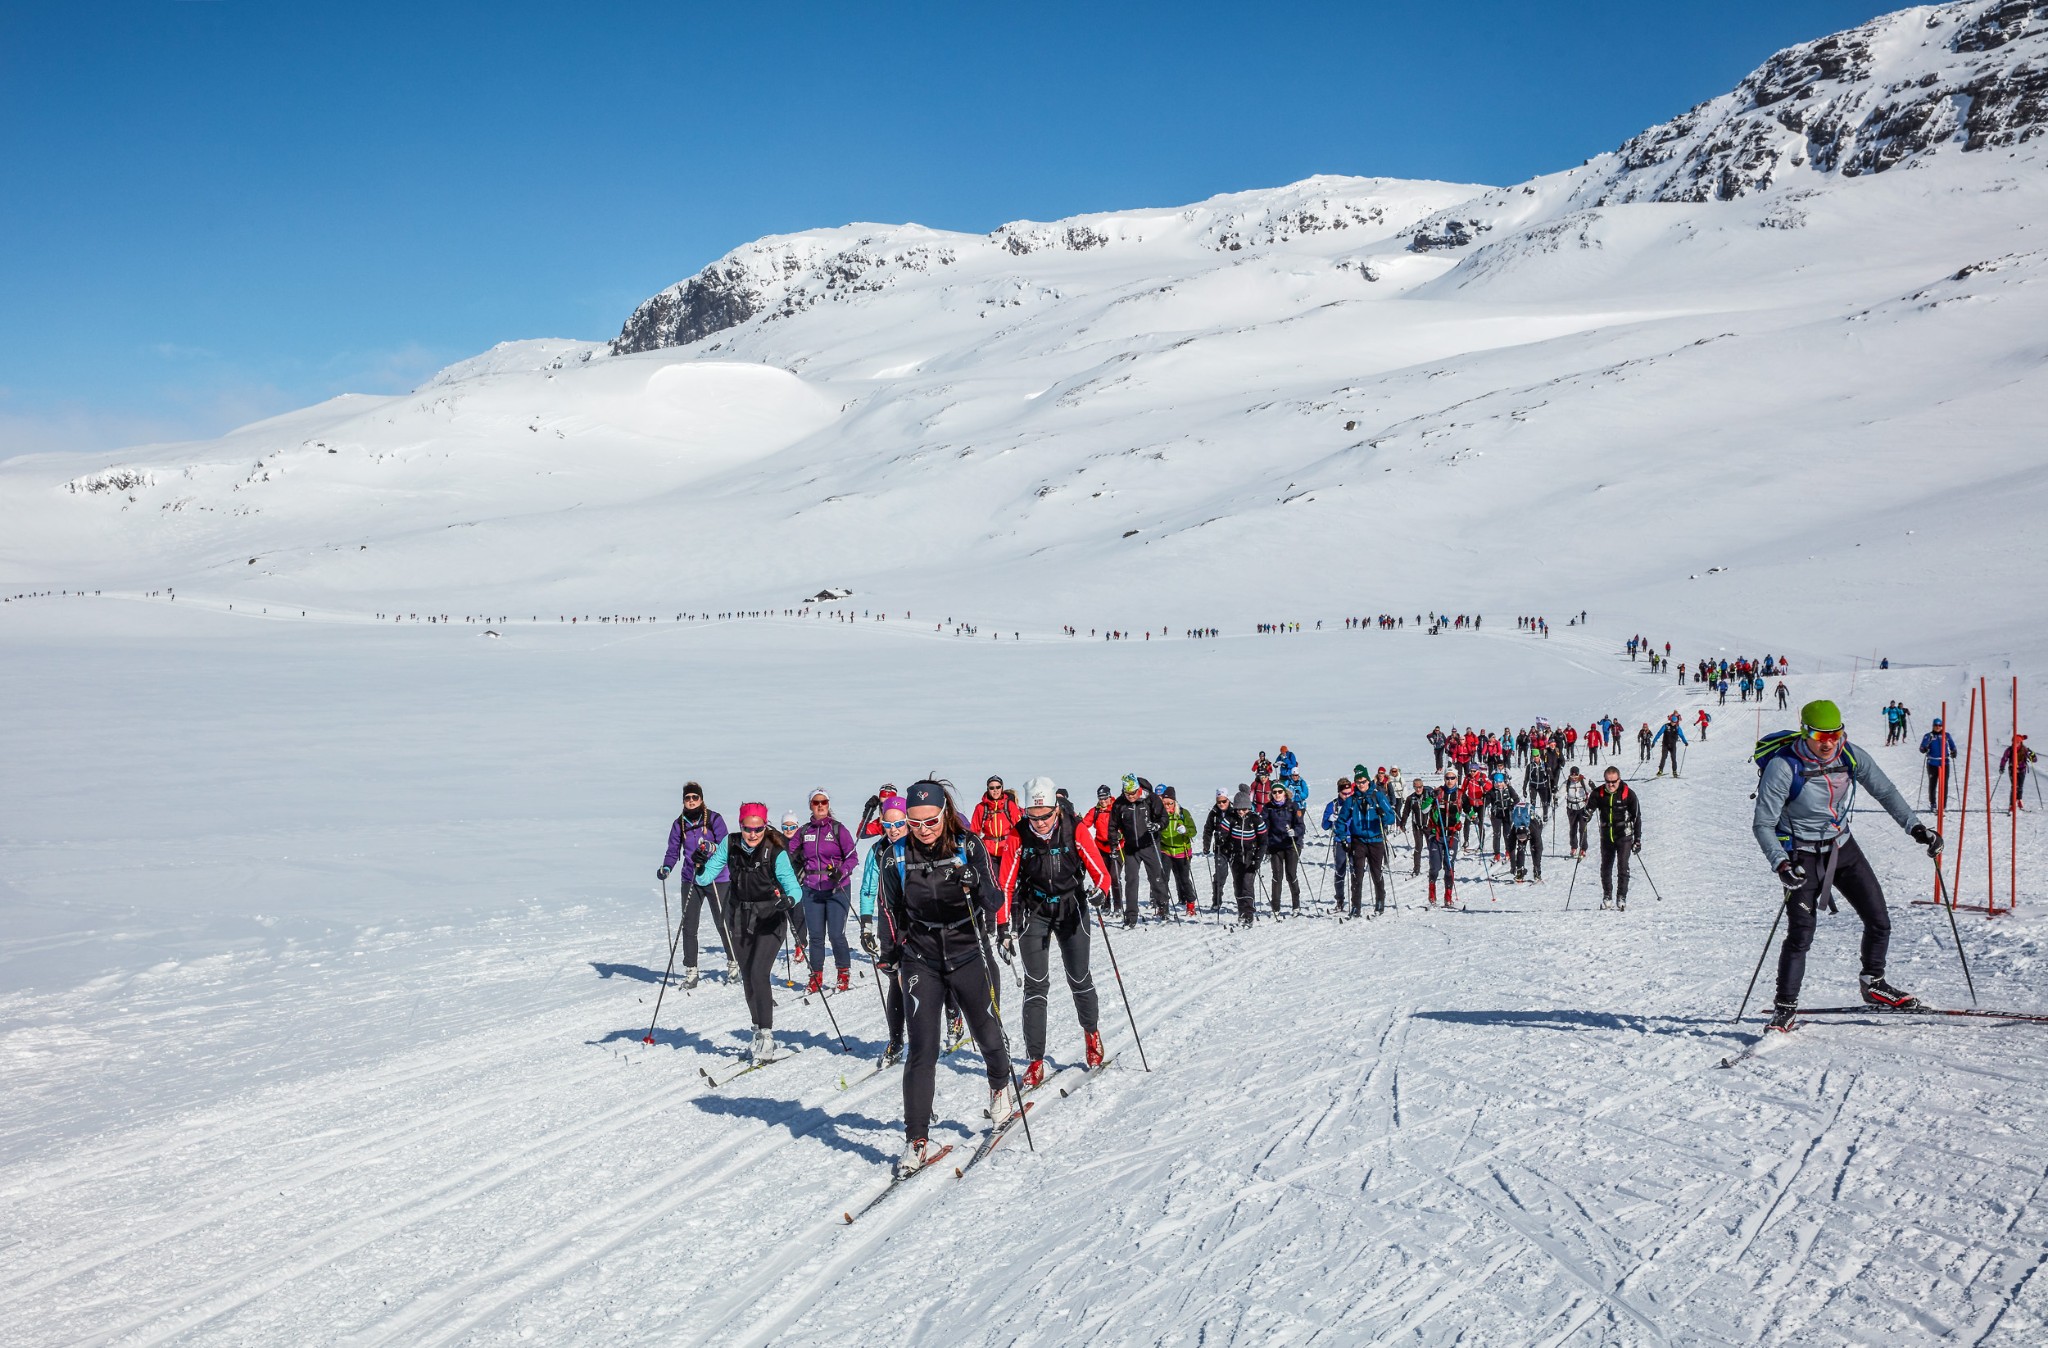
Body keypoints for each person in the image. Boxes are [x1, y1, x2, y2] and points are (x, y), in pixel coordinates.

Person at [1753, 700, 1944, 1032]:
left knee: (1878, 919)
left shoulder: (1849, 755)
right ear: (1805, 731)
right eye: (1818, 734)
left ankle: (1874, 982)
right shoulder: (1783, 767)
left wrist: (1916, 827)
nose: (1827, 742)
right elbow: (1763, 824)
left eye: (1834, 733)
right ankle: (1784, 1008)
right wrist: (1781, 863)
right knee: (1801, 933)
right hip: (1801, 855)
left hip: (1842, 847)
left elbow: (1885, 791)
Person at [873, 780, 1018, 1177]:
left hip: (968, 948)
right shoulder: (895, 856)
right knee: (922, 1047)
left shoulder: (968, 844)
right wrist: (891, 955)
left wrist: (973, 879)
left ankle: (1000, 1090)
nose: (923, 829)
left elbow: (995, 899)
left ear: (945, 813)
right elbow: (890, 910)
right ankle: (916, 1139)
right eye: (913, 822)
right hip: (921, 957)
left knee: (986, 1029)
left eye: (931, 821)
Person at [997, 777, 1109, 1087]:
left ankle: (1091, 1033)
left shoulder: (1074, 828)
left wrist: (1100, 890)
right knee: (1035, 985)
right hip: (1036, 911)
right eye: (1033, 816)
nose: (1040, 822)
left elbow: (1100, 871)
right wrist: (1003, 926)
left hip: (1072, 908)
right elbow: (1005, 883)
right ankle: (1035, 1061)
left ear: (1056, 810)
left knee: (1078, 977)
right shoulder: (1018, 835)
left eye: (1045, 815)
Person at [689, 803, 804, 1061]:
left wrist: (789, 901)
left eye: (758, 829)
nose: (752, 834)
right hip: (739, 918)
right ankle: (756, 1029)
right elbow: (705, 879)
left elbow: (794, 888)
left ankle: (767, 1036)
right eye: (747, 829)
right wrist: (698, 865)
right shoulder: (730, 845)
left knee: (758, 973)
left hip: (770, 919)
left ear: (765, 826)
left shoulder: (775, 851)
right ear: (740, 826)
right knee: (748, 977)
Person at [656, 781, 733, 988]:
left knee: (722, 923)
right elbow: (673, 850)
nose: (691, 801)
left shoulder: (714, 819)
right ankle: (691, 970)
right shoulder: (679, 824)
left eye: (695, 798)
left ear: (701, 799)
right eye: (687, 798)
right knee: (689, 926)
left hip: (717, 878)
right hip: (691, 878)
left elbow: (726, 846)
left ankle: (734, 963)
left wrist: (710, 848)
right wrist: (666, 868)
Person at [787, 789, 858, 993]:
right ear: (810, 805)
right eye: (816, 802)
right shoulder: (804, 831)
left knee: (836, 934)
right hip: (811, 889)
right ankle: (815, 976)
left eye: (824, 802)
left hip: (837, 888)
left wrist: (841, 871)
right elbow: (787, 852)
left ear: (828, 805)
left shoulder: (837, 829)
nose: (820, 806)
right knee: (816, 936)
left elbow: (852, 857)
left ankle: (843, 973)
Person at [1110, 774, 1169, 925]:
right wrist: (1113, 841)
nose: (1130, 796)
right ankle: (1130, 916)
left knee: (1156, 877)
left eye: (1133, 793)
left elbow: (1163, 818)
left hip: (1150, 844)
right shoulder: (1119, 804)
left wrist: (1157, 826)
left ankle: (1162, 906)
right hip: (1131, 847)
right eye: (1127, 793)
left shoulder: (1151, 799)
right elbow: (1112, 825)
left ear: (1139, 789)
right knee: (1131, 880)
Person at [1339, 772, 1399, 916]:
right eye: (1358, 782)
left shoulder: (1377, 796)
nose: (1361, 785)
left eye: (1364, 781)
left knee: (1376, 872)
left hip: (1376, 840)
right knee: (1357, 874)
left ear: (1368, 781)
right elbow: (1341, 820)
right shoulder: (1351, 800)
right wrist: (1342, 838)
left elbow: (1391, 817)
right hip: (1358, 840)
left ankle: (1380, 901)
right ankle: (1355, 906)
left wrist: (1382, 815)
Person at [1588, 766, 1641, 909]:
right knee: (1606, 867)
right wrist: (1587, 814)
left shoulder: (1628, 794)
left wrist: (1637, 839)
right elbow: (1590, 807)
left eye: (1614, 782)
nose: (1611, 785)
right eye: (1608, 782)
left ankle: (1621, 896)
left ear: (1619, 779)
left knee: (1622, 867)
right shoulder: (1598, 793)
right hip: (1607, 836)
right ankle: (1607, 895)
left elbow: (1637, 818)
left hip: (1624, 835)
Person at [1218, 788, 1267, 923]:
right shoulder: (1231, 819)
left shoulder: (1256, 820)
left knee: (1247, 885)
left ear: (1248, 808)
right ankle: (1241, 911)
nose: (1241, 812)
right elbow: (1223, 833)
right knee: (1238, 885)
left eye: (1244, 809)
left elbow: (1263, 842)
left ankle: (1248, 914)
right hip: (1235, 857)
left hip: (1250, 857)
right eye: (1238, 809)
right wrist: (1221, 840)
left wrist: (1258, 859)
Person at [1418, 772, 1463, 907]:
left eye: (1452, 778)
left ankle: (1448, 897)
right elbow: (1424, 810)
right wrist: (1431, 799)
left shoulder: (1460, 794)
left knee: (1449, 866)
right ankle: (1432, 892)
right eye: (1447, 778)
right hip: (1436, 834)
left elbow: (1468, 808)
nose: (1450, 781)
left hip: (1452, 834)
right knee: (1435, 866)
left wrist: (1473, 815)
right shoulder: (1437, 792)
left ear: (1456, 779)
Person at [1261, 780, 1305, 911]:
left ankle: (1296, 905)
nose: (1277, 794)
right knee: (1277, 876)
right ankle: (1275, 907)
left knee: (1291, 874)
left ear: (1284, 793)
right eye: (1274, 792)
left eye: (1279, 792)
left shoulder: (1293, 806)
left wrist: (1295, 832)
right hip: (1275, 846)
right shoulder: (1268, 807)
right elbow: (1263, 825)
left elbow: (1301, 826)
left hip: (1291, 844)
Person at [1156, 786, 1200, 913]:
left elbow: (1194, 831)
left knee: (1184, 879)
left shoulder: (1182, 813)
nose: (1167, 806)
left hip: (1182, 850)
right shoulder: (1159, 815)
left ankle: (1190, 903)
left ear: (1175, 802)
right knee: (1163, 879)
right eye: (1164, 803)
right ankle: (1163, 906)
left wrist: (1185, 831)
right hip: (1166, 850)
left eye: (1170, 803)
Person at [971, 776, 1022, 872]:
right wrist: (973, 849)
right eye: (992, 788)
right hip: (988, 849)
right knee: (993, 879)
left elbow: (1019, 826)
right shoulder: (981, 807)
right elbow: (974, 830)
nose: (995, 790)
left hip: (1007, 848)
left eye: (998, 787)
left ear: (1002, 788)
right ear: (988, 789)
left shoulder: (1009, 805)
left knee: (1006, 879)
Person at [1084, 786, 1121, 914]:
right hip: (1100, 847)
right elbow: (1084, 824)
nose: (1103, 801)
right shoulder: (1095, 811)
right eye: (1101, 798)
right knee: (1103, 877)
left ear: (1110, 796)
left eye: (1105, 798)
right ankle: (1106, 904)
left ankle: (1118, 906)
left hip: (1117, 847)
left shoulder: (1117, 808)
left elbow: (1126, 824)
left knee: (1115, 877)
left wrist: (1121, 834)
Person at [1201, 789, 1232, 910]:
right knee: (1220, 875)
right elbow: (1208, 830)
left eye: (1224, 801)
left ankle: (1243, 901)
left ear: (1228, 800)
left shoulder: (1234, 811)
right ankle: (1217, 900)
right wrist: (1206, 846)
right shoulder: (1214, 813)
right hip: (1220, 848)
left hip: (1234, 847)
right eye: (1219, 802)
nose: (1221, 804)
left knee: (1239, 875)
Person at [1920, 719, 1958, 810]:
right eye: (1936, 725)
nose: (1938, 727)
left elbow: (1953, 745)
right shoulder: (1928, 736)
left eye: (1940, 725)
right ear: (1933, 726)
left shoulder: (1946, 735)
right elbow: (1922, 747)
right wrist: (1924, 749)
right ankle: (1933, 803)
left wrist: (1954, 751)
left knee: (1944, 784)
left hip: (1944, 763)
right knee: (1933, 784)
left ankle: (1943, 805)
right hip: (1932, 763)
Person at [1400, 776, 1430, 875]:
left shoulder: (1428, 796)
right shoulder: (1411, 798)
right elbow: (1406, 812)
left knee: (1432, 846)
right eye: (1416, 787)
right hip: (1417, 826)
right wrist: (1402, 823)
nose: (1418, 789)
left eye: (1420, 787)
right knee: (1418, 847)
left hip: (1428, 826)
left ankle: (1435, 866)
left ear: (1423, 786)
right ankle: (1416, 868)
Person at [1562, 766, 1592, 858]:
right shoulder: (1567, 783)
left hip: (1582, 808)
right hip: (1571, 808)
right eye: (1572, 776)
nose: (1574, 778)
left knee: (1583, 829)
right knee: (1573, 828)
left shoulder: (1583, 781)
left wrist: (1593, 787)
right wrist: (1555, 795)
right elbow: (1560, 792)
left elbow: (1591, 790)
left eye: (1576, 776)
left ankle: (1583, 849)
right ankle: (1573, 847)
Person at [2000, 734, 2036, 810]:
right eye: (2013, 742)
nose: (2015, 743)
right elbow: (2004, 758)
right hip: (2012, 769)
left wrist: (2032, 755)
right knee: (2014, 787)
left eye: (2017, 742)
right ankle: (2011, 805)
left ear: (2020, 742)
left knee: (2020, 786)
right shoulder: (2009, 750)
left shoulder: (2025, 750)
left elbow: (2034, 760)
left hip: (2022, 770)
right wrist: (2002, 767)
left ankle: (2019, 800)